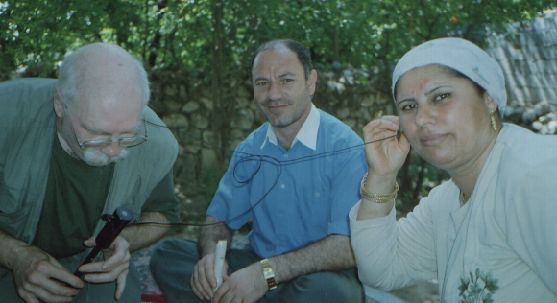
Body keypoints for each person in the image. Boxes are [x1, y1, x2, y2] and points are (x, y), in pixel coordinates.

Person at [151, 39, 367, 303]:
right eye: (262, 83)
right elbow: (218, 220)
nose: (273, 94)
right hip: (256, 267)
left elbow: (347, 247)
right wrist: (211, 259)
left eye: (286, 80)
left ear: (310, 82)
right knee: (169, 254)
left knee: (328, 293)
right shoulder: (249, 151)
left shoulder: (346, 148)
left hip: (319, 276)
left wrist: (266, 275)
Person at [349, 37, 557, 302]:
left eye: (441, 97)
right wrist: (382, 176)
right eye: (409, 107)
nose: (422, 119)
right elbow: (382, 270)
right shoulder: (447, 200)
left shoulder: (536, 176)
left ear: (489, 98)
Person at [0, 43, 181, 302]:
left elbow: (165, 213)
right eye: (97, 134)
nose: (113, 150)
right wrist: (15, 255)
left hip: (91, 264)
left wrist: (124, 239)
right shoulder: (6, 117)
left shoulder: (157, 142)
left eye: (128, 135)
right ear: (60, 104)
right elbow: (217, 230)